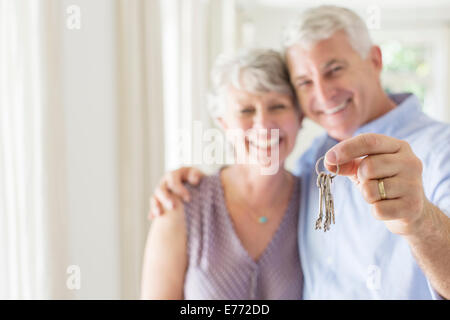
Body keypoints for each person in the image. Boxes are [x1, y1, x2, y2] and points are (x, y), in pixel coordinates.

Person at [150, 5, 450, 299]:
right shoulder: (314, 162)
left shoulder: (441, 150)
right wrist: (183, 180)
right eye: (305, 82)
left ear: (375, 59)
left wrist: (422, 220)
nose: (321, 94)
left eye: (334, 70)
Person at [141, 49, 304, 299]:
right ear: (224, 123)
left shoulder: (316, 203)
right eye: (246, 111)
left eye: (278, 106)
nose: (263, 125)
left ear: (299, 117)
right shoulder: (181, 205)